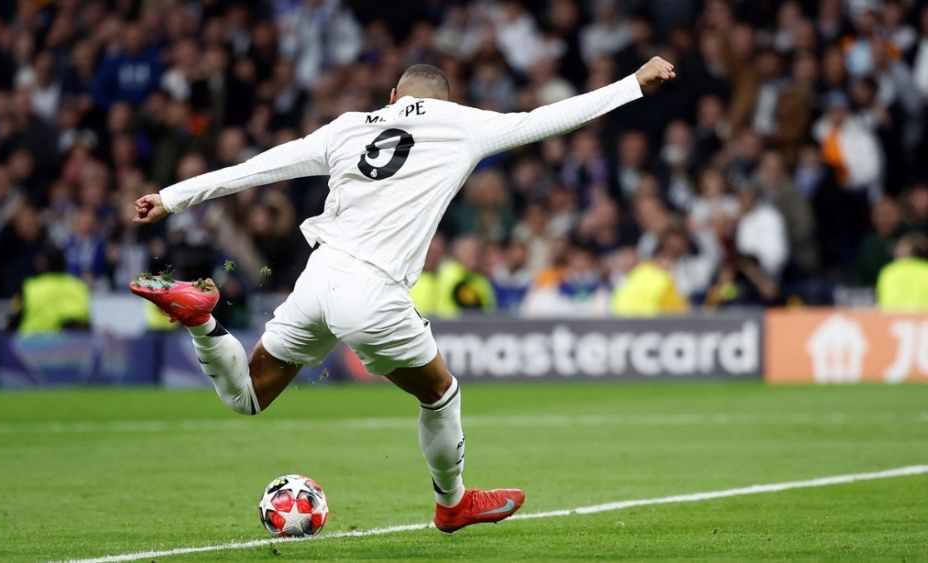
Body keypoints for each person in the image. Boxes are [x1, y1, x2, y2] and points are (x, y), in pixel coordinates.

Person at [128, 59, 676, 532]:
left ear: (392, 98)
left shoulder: (347, 127)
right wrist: (632, 83)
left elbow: (263, 165)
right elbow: (545, 119)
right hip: (373, 288)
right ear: (445, 100)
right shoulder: (462, 125)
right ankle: (453, 504)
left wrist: (173, 197)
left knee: (246, 396)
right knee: (440, 392)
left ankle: (203, 322)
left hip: (318, 277)